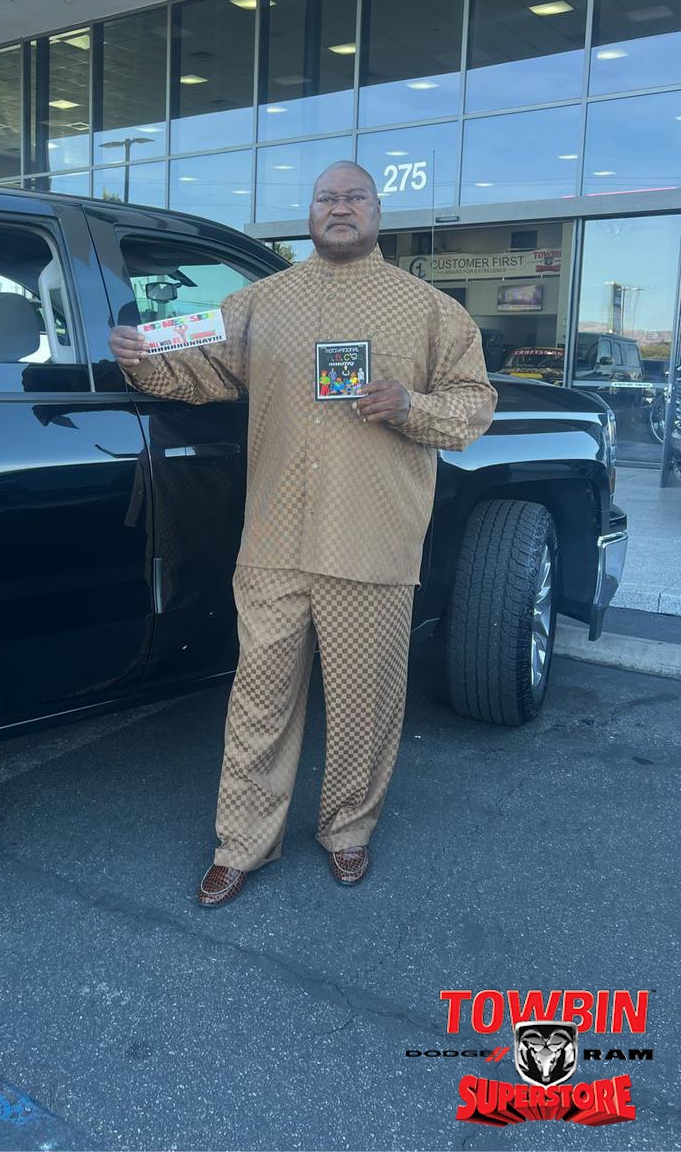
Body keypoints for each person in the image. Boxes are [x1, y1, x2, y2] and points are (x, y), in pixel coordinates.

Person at [108, 163, 497, 906]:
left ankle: (348, 830)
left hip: (372, 542)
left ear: (377, 212)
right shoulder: (259, 303)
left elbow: (474, 406)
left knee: (363, 702)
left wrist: (409, 405)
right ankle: (241, 843)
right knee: (258, 699)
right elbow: (200, 370)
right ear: (310, 213)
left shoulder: (431, 311)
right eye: (327, 198)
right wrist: (143, 358)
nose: (339, 208)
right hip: (274, 542)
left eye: (354, 197)